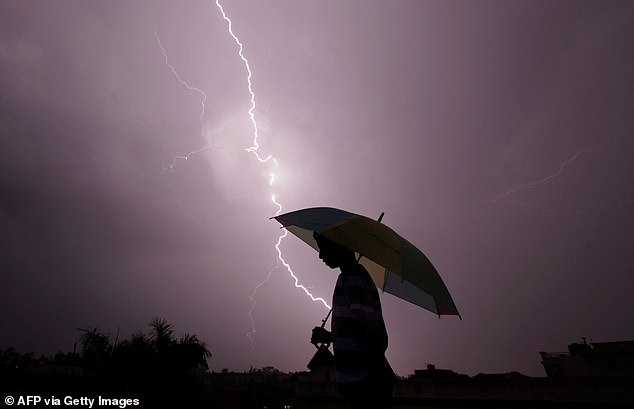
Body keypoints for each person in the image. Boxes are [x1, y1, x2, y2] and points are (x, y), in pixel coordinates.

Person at [311, 233, 395, 408]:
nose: (320, 255)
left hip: (365, 386)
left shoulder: (354, 279)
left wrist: (375, 380)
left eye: (324, 248)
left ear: (340, 246)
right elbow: (356, 332)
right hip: (358, 385)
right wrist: (330, 336)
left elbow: (371, 332)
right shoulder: (347, 278)